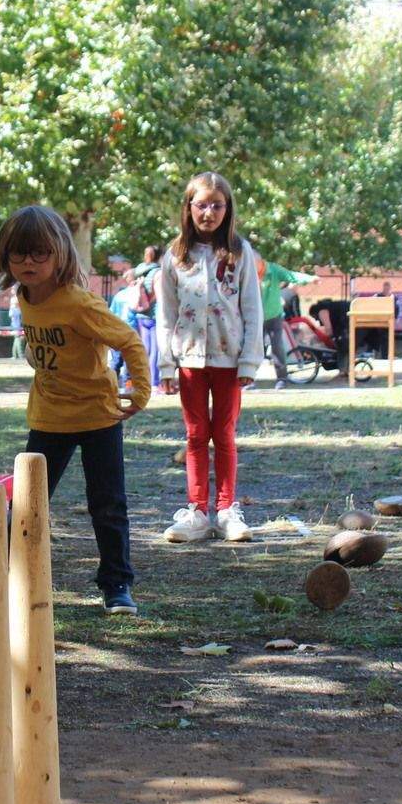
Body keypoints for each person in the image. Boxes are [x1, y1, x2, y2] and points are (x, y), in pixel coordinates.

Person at [0, 205, 150, 615]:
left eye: (39, 253)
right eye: (19, 254)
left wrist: (140, 392)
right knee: (27, 502)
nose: (29, 262)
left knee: (107, 503)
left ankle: (116, 585)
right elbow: (41, 344)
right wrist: (34, 354)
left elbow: (129, 341)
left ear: (59, 254)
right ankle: (5, 578)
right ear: (6, 257)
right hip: (48, 418)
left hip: (98, 417)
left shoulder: (79, 303)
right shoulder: (24, 297)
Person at [156, 172, 262, 543]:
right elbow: (166, 315)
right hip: (189, 361)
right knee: (197, 435)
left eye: (217, 205)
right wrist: (166, 364)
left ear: (227, 209)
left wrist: (249, 359)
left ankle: (227, 509)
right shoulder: (175, 256)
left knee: (225, 434)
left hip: (229, 360)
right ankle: (197, 510)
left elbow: (252, 307)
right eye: (202, 204)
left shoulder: (239, 252)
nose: (209, 212)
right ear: (189, 207)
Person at [256, 253, 292, 390]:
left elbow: (291, 276)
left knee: (277, 347)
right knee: (253, 348)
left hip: (274, 316)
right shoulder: (248, 271)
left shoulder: (273, 270)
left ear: (260, 261)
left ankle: (282, 378)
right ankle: (248, 379)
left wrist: (310, 278)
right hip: (256, 317)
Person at [130, 245, 162, 387]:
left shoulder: (139, 271)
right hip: (154, 316)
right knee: (155, 351)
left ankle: (142, 381)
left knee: (144, 350)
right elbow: (160, 296)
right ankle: (153, 382)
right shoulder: (157, 272)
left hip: (140, 314)